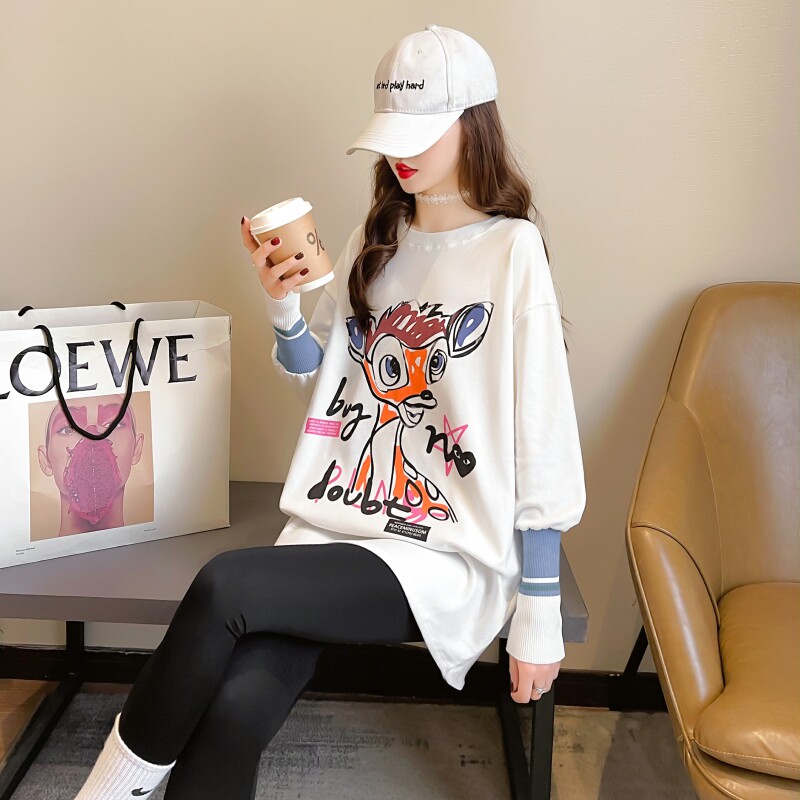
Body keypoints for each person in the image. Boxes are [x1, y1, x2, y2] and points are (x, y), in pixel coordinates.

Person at [73, 24, 585, 800]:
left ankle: (106, 794)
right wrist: (283, 308)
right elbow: (326, 386)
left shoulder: (511, 251)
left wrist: (539, 610)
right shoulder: (374, 239)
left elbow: (541, 431)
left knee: (223, 587)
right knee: (236, 709)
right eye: (393, 134)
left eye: (423, 131)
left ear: (474, 123)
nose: (402, 155)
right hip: (335, 523)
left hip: (440, 550)